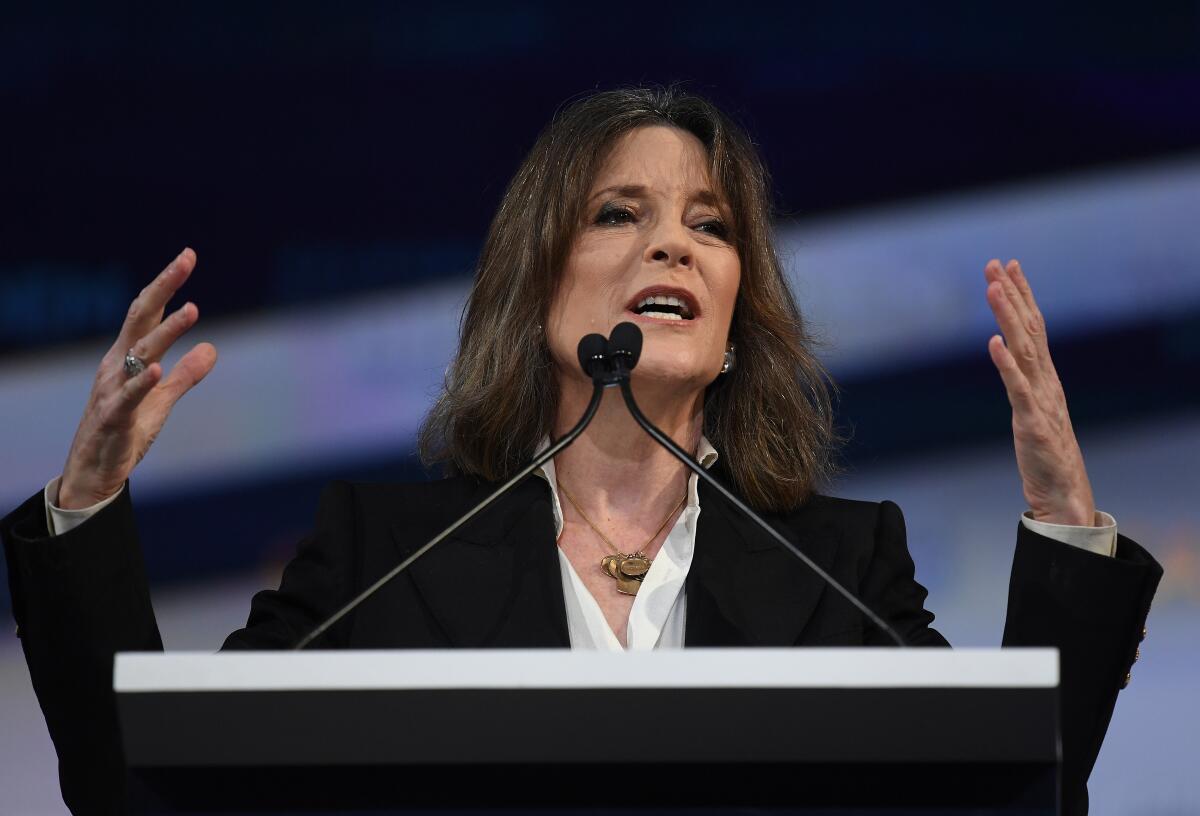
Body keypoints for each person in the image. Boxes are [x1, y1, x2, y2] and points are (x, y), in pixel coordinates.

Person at [2, 87, 1161, 816]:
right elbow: (140, 790)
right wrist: (89, 506)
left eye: (709, 225)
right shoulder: (385, 550)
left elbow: (1015, 793)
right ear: (538, 281)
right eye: (620, 212)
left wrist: (1063, 518)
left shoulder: (842, 564)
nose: (674, 241)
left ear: (734, 318)